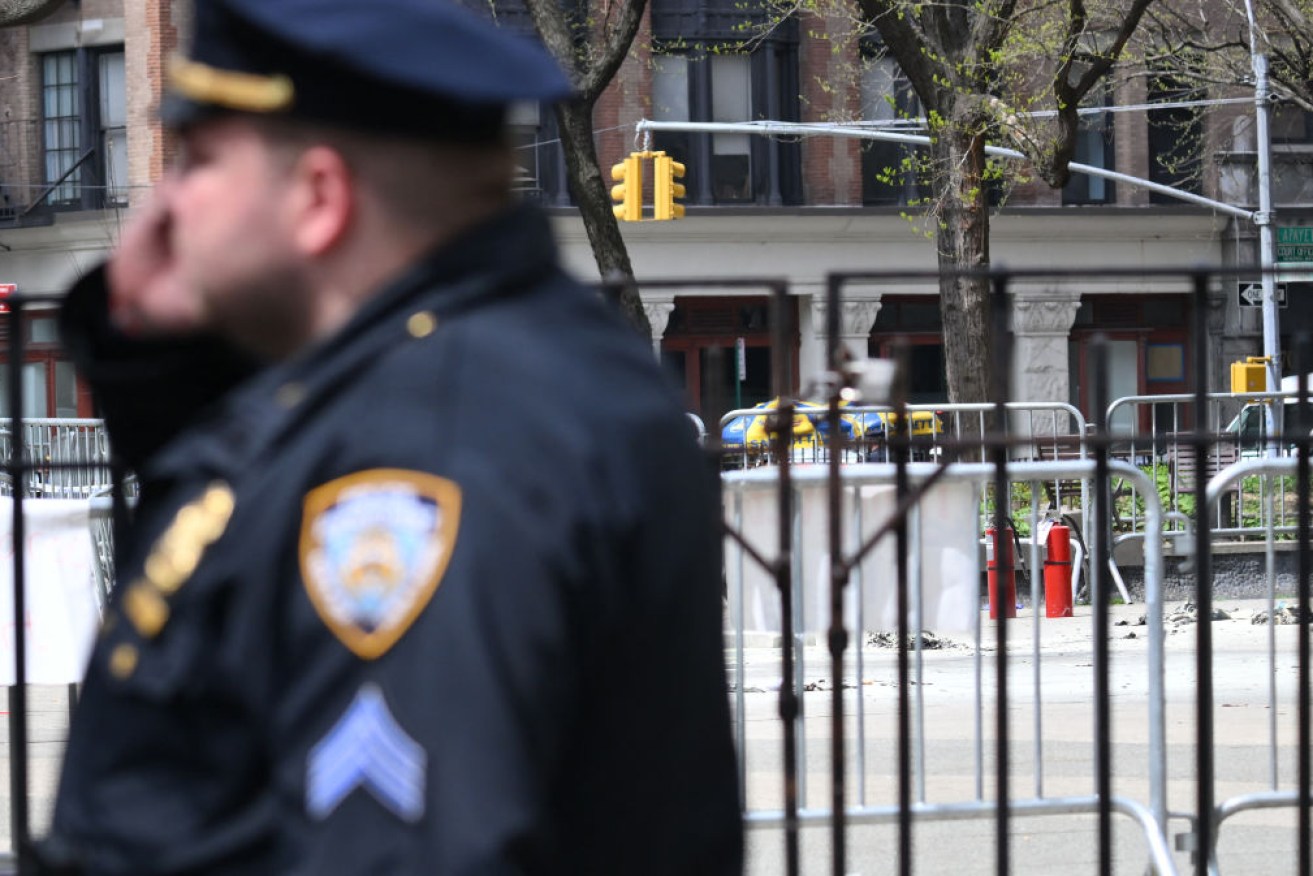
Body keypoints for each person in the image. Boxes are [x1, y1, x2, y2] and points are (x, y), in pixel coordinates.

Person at [40, 0, 743, 873]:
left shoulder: (425, 452)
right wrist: (154, 348)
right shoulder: (472, 373)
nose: (168, 200)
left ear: (320, 199)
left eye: (200, 161)